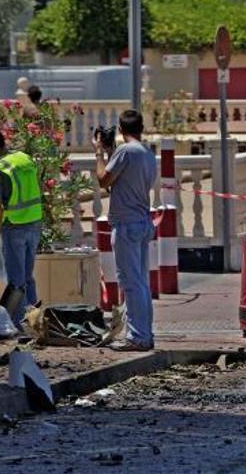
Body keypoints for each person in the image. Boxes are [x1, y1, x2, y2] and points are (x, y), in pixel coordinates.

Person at [93, 110, 157, 351]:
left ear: (121, 129)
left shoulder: (125, 151)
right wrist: (111, 153)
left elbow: (103, 180)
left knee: (131, 283)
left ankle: (138, 337)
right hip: (141, 222)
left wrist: (99, 152)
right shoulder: (147, 153)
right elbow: (119, 183)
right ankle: (144, 334)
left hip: (127, 225)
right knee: (141, 282)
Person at [0, 131, 42, 330]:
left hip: (14, 226)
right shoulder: (24, 158)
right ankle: (35, 321)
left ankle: (19, 324)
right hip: (34, 221)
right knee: (28, 276)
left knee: (17, 280)